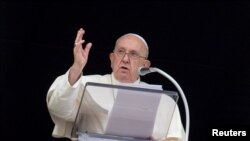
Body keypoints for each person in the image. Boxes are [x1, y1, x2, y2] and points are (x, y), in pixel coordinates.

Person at [47, 28, 185, 141]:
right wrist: (77, 67)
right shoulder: (84, 84)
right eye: (120, 52)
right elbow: (58, 109)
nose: (125, 59)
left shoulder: (165, 101)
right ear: (112, 59)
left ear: (145, 65)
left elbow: (176, 138)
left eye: (133, 54)